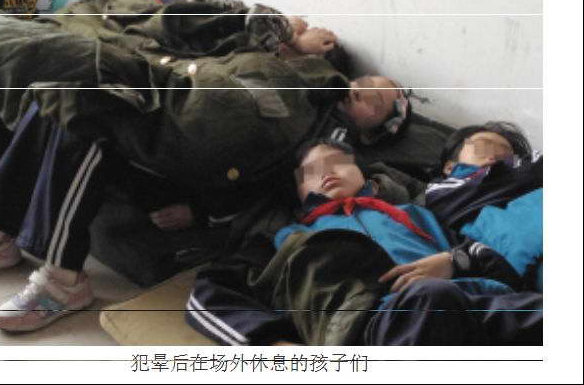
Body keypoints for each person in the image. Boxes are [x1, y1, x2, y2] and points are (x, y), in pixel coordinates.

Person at [0, 0, 413, 332]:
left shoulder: (330, 140)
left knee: (89, 116)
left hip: (190, 161)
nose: (366, 90)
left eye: (378, 100)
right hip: (169, 108)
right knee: (61, 94)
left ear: (372, 131)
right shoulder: (268, 58)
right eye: (368, 83)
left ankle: (62, 281)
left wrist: (203, 211)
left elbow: (281, 193)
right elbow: (190, 34)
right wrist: (284, 36)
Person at [186, 138, 542, 346]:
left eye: (337, 163)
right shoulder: (286, 237)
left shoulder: (416, 212)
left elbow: (493, 259)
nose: (326, 173)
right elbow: (207, 294)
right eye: (310, 172)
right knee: (430, 298)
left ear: (365, 174)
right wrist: (268, 343)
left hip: (481, 302)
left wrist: (454, 261)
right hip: (381, 324)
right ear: (298, 190)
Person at [424, 121, 543, 291]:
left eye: (506, 153)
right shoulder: (442, 195)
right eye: (482, 147)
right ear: (450, 167)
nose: (494, 156)